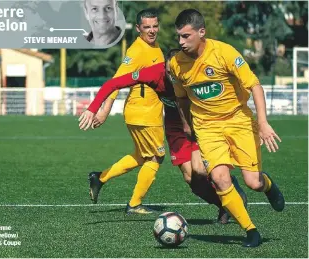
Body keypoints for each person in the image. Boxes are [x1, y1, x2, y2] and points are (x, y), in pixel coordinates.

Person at [80, 48, 248, 224]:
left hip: (201, 123)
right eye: (169, 72)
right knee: (192, 180)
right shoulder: (154, 74)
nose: (173, 76)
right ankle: (223, 205)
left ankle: (229, 187)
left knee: (200, 171)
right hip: (176, 128)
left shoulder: (193, 70)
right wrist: (93, 109)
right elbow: (113, 83)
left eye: (175, 71)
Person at [169, 9, 285, 247]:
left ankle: (269, 186)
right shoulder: (176, 64)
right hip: (207, 128)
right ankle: (250, 231)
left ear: (201, 32)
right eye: (178, 37)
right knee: (220, 178)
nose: (181, 42)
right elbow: (182, 98)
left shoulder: (225, 53)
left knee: (253, 182)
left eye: (186, 36)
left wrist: (263, 123)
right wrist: (187, 124)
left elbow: (255, 85)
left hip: (238, 121)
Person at [80, 8, 165, 214]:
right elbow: (116, 81)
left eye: (155, 26)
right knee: (156, 158)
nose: (152, 31)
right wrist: (104, 110)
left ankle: (99, 178)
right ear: (138, 29)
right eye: (147, 27)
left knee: (141, 156)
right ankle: (134, 203)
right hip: (143, 113)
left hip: (147, 112)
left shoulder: (155, 46)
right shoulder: (137, 51)